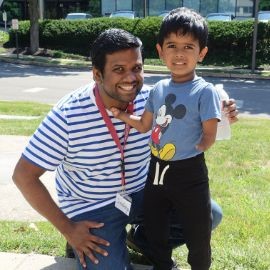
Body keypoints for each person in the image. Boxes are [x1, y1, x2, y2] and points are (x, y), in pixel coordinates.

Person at [12, 28, 238, 270]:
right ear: (97, 74)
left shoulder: (151, 99)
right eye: (119, 70)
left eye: (137, 68)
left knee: (209, 214)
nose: (131, 79)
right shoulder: (68, 116)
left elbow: (192, 105)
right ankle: (83, 243)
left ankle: (141, 240)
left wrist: (220, 110)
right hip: (93, 207)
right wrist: (69, 229)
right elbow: (23, 176)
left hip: (144, 194)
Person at [110, 8, 222, 270]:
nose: (179, 53)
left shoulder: (204, 91)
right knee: (155, 226)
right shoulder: (158, 88)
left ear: (201, 53)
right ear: (160, 51)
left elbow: (211, 129)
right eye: (172, 45)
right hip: (157, 169)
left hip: (190, 172)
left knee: (198, 232)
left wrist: (203, 144)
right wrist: (122, 116)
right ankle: (161, 265)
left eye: (188, 47)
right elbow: (145, 125)